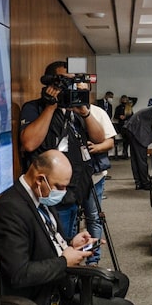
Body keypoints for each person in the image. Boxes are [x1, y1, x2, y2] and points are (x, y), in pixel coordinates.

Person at [0, 150, 135, 305]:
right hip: (41, 301)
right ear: (40, 180)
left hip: (58, 283)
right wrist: (64, 262)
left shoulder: (39, 198)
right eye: (59, 187)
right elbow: (19, 274)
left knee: (117, 281)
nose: (62, 193)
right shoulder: (10, 211)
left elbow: (48, 239)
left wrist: (71, 243)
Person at [19, 61, 105, 241]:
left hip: (75, 190)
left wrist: (85, 112)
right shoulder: (34, 108)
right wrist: (51, 106)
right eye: (64, 82)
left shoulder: (75, 111)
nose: (69, 87)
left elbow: (99, 138)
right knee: (57, 244)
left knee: (70, 241)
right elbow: (29, 144)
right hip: (50, 191)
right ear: (50, 83)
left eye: (72, 82)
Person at [83, 100, 116, 266]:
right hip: (67, 179)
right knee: (71, 219)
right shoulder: (62, 112)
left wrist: (97, 148)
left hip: (94, 177)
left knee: (94, 217)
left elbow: (110, 142)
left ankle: (93, 261)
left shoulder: (97, 112)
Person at [123, 105, 152, 190]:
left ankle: (138, 182)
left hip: (130, 128)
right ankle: (145, 183)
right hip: (137, 129)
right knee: (141, 159)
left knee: (135, 158)